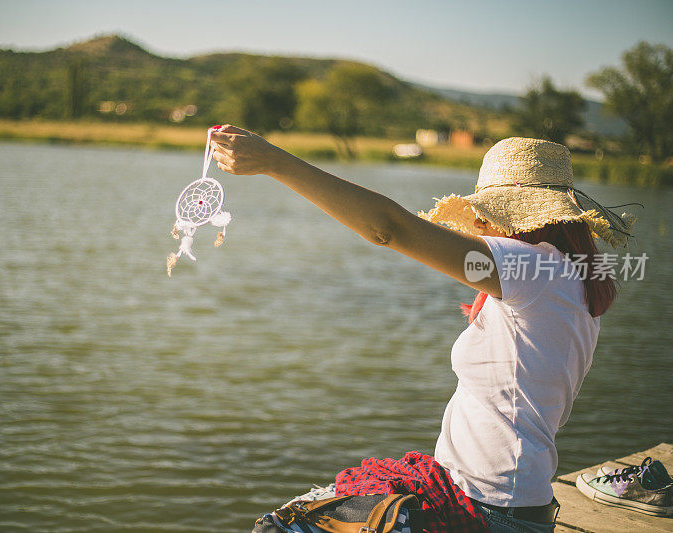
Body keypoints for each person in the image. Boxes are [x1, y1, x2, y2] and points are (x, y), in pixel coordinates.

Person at [208, 127, 638, 532]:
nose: (481, 225)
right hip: (499, 497)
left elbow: (387, 228)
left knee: (282, 526)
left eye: (489, 215)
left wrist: (274, 162)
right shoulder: (569, 277)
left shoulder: (533, 267)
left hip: (488, 508)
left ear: (527, 218)